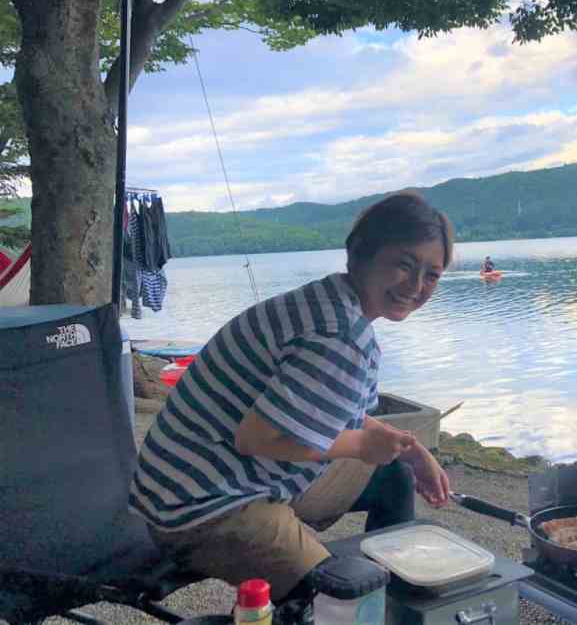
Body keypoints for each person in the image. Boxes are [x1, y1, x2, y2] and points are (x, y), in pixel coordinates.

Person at [128, 192, 453, 611]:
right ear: (362, 254)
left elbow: (341, 416)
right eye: (404, 265)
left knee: (392, 476)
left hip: (194, 485)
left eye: (432, 274)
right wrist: (358, 446)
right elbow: (259, 437)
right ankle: (342, 603)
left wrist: (411, 450)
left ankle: (386, 595)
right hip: (202, 508)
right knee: (336, 601)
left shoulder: (331, 303)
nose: (416, 286)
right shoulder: (340, 337)